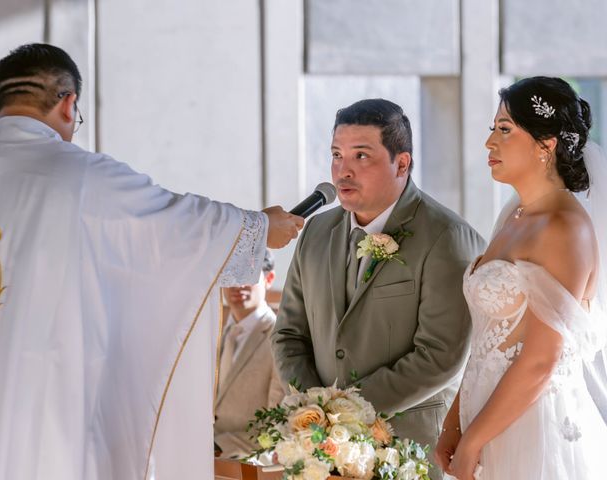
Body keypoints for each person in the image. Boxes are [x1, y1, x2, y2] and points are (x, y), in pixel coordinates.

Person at [0, 43, 303, 480]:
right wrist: (257, 228)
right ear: (69, 105)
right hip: (42, 411)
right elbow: (176, 226)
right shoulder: (80, 176)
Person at [272, 98, 486, 478]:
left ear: (401, 163)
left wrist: (344, 411)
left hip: (408, 451)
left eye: (361, 156)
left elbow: (441, 355)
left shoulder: (447, 238)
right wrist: (314, 413)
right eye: (337, 155)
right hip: (320, 452)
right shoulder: (316, 233)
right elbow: (288, 334)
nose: (343, 171)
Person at [436, 76, 607, 480]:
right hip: (486, 412)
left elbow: (541, 360)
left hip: (534, 427)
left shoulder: (565, 227)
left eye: (505, 130)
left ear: (546, 145)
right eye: (492, 129)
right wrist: (454, 423)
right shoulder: (516, 217)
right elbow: (487, 342)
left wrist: (474, 439)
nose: (489, 143)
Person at [214, 250, 285, 459]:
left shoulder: (280, 337)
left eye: (248, 274)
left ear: (269, 278)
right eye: (230, 275)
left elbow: (276, 424)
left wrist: (216, 445)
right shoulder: (214, 334)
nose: (238, 284)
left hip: (247, 467)